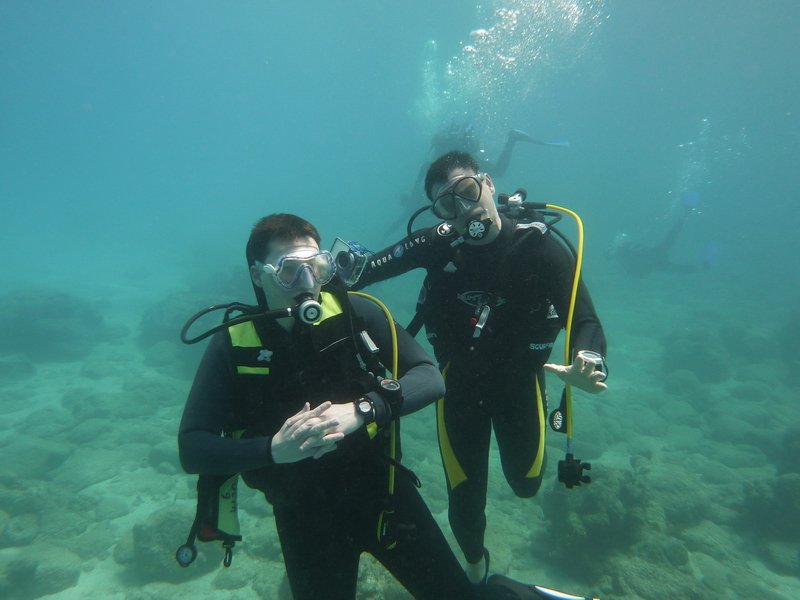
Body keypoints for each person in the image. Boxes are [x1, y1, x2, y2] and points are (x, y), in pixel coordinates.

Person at [177, 213, 538, 600]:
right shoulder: (234, 345)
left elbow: (430, 378)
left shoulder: (356, 314)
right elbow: (192, 447)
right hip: (303, 516)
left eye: (317, 267)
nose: (307, 283)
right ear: (257, 274)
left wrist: (362, 410)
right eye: (290, 271)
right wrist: (272, 450)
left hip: (384, 495)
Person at [350, 152, 608, 584]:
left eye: (467, 191)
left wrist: (590, 358)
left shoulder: (539, 246)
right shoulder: (436, 243)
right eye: (446, 205)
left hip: (521, 381)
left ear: (487, 183)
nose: (463, 209)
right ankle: (476, 570)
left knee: (526, 483)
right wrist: (314, 276)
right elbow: (363, 272)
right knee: (465, 503)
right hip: (458, 385)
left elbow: (584, 319)